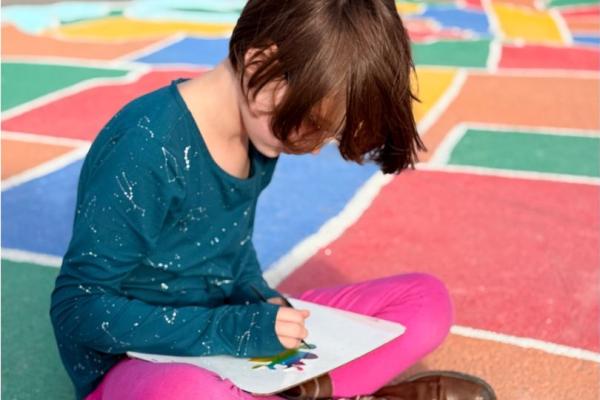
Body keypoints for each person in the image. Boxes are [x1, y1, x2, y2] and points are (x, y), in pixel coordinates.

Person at [49, 0, 497, 399]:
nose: (317, 146)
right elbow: (78, 307)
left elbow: (229, 253)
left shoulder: (259, 130)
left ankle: (304, 390)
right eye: (314, 126)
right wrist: (233, 331)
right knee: (186, 392)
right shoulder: (147, 146)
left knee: (425, 302)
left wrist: (261, 299)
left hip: (230, 339)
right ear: (260, 63)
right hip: (141, 366)